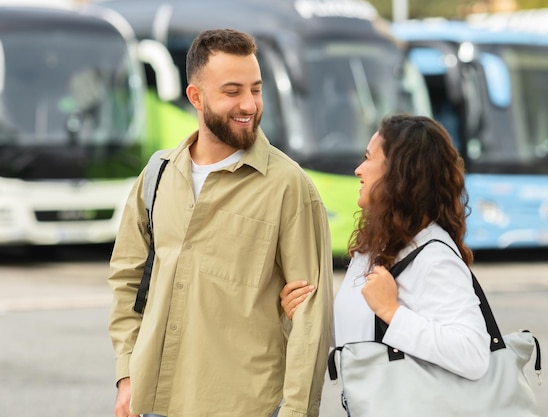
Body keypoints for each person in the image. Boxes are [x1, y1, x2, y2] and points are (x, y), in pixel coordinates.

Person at [108, 29, 334, 417]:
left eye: (256, 89)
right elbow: (128, 281)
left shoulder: (289, 187)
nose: (249, 104)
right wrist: (128, 374)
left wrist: (297, 412)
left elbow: (311, 321)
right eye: (232, 91)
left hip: (243, 406)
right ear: (196, 96)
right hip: (154, 402)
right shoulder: (157, 175)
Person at [281, 114, 491, 409]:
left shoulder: (434, 256)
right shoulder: (377, 246)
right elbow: (358, 335)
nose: (358, 170)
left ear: (400, 174)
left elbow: (474, 354)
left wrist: (391, 311)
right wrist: (306, 314)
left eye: (369, 159)